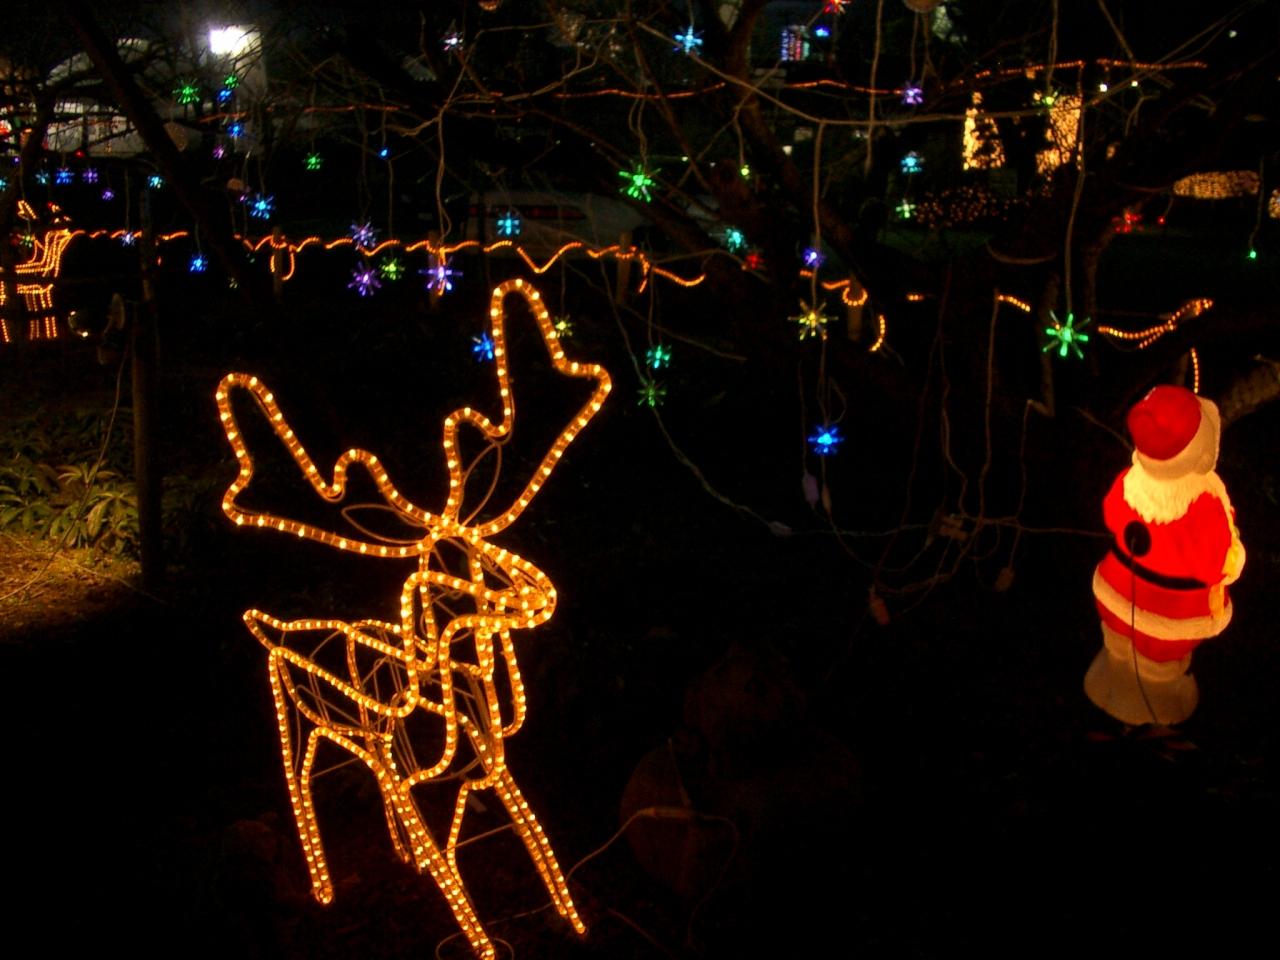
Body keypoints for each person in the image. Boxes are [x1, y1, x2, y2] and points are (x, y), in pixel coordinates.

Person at [1085, 385, 1245, 725]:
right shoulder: (1203, 505)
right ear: (1202, 448)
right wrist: (1235, 560)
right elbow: (1215, 566)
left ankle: (1112, 676)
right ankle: (1155, 698)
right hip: (1171, 618)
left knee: (1118, 639)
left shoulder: (1131, 480)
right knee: (1158, 663)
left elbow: (1111, 514)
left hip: (1115, 592)